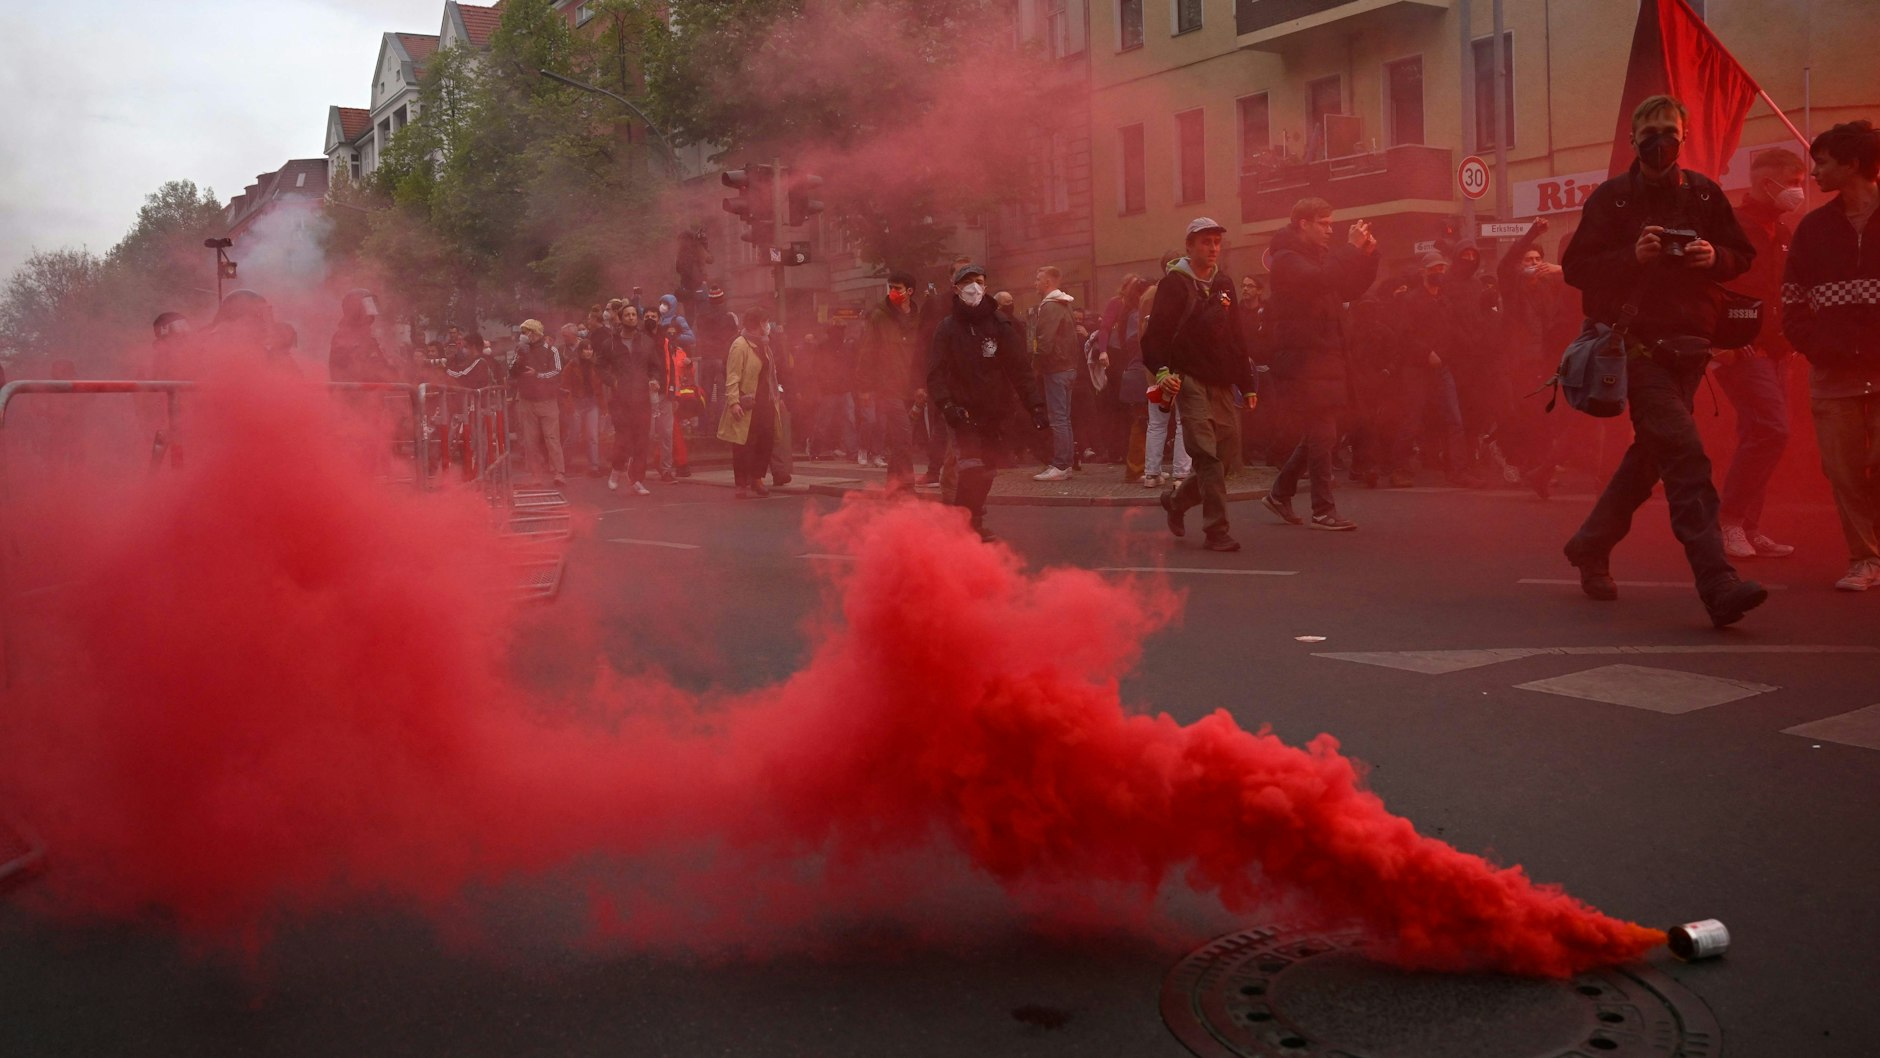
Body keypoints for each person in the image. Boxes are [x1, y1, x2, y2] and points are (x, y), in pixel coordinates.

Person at [1559, 94, 1765, 627]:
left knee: (1652, 455)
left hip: (1693, 348)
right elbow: (1576, 267)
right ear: (1632, 138)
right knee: (1685, 455)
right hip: (1637, 347)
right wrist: (1635, 256)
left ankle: (1590, 543)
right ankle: (1717, 583)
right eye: (1648, 130)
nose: (1659, 140)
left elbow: (1742, 255)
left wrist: (1712, 256)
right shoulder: (1612, 200)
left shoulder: (1704, 193)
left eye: (1668, 130)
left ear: (1684, 135)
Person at [1782, 119, 1880, 592]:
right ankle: (1864, 559)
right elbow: (1793, 297)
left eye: (1822, 161)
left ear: (1854, 164)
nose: (1814, 171)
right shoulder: (1812, 229)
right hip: (1832, 373)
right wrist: (1815, 345)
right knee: (1843, 471)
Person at [1142, 218, 1260, 551]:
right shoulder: (1174, 285)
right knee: (1207, 456)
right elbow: (1155, 337)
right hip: (1188, 378)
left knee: (1226, 458)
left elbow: (1236, 335)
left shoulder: (1224, 283)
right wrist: (1163, 372)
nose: (1212, 249)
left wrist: (1247, 383)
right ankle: (1216, 530)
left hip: (1221, 380)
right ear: (1190, 246)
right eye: (1206, 242)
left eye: (1216, 242)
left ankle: (1177, 502)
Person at [1713, 147, 1808, 560]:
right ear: (1765, 182)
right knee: (1772, 429)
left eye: (1800, 183)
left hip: (1777, 350)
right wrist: (1721, 343)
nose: (1798, 191)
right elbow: (1709, 283)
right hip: (1742, 351)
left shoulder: (1782, 231)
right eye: (1792, 183)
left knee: (1758, 435)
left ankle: (1749, 527)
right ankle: (1729, 521)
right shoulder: (1730, 225)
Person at [1262, 199, 1380, 531]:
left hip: (1326, 356)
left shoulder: (1317, 257)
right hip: (1306, 359)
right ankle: (1322, 509)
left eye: (1331, 223)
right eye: (1323, 223)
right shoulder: (1286, 259)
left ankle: (1280, 493)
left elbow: (1350, 287)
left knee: (1323, 433)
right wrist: (1350, 249)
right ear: (1303, 223)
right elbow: (1321, 281)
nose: (1330, 229)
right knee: (1324, 431)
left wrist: (1369, 256)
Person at [929, 264, 1046, 542]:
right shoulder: (946, 328)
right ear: (956, 288)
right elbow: (935, 373)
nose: (973, 287)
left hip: (995, 411)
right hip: (962, 411)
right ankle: (964, 523)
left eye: (979, 281)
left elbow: (1020, 370)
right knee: (971, 467)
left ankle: (970, 518)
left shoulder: (1000, 325)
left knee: (988, 470)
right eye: (967, 282)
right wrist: (946, 405)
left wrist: (1036, 407)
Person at [1496, 218, 1582, 497]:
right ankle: (1525, 463)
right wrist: (1531, 232)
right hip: (1520, 363)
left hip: (1546, 361)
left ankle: (1540, 468)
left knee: (1546, 416)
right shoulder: (1512, 288)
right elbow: (1506, 262)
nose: (1533, 263)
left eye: (1537, 258)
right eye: (1528, 259)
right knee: (1527, 416)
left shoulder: (1550, 288)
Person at [858, 271, 923, 491]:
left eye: (898, 288)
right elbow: (868, 351)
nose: (893, 292)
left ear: (910, 292)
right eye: (891, 287)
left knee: (899, 441)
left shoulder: (918, 316)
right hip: (888, 387)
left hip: (911, 387)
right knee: (904, 438)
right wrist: (865, 387)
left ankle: (893, 486)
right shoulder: (879, 316)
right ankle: (906, 488)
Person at [719, 308, 781, 499]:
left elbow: (771, 374)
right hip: (748, 402)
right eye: (765, 322)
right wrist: (734, 402)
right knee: (743, 444)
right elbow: (732, 376)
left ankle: (757, 478)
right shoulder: (740, 345)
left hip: (766, 401)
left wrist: (778, 395)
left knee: (765, 440)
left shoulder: (764, 345)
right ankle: (741, 483)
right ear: (756, 325)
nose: (767, 326)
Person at [1030, 266, 1079, 481]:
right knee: (1065, 419)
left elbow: (1044, 341)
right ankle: (1066, 463)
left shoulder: (1049, 307)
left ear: (1048, 283)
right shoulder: (1065, 304)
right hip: (1068, 367)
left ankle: (1060, 465)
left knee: (1058, 418)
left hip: (1056, 369)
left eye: (1038, 279)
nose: (1035, 283)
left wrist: (1036, 365)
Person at [604, 303, 657, 495]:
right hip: (620, 400)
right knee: (624, 439)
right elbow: (600, 366)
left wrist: (654, 379)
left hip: (642, 398)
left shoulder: (646, 342)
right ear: (621, 318)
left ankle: (637, 480)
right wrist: (612, 381)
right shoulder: (611, 343)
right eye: (627, 314)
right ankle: (616, 469)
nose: (632, 317)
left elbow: (655, 366)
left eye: (634, 314)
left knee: (642, 441)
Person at [510, 318, 567, 488]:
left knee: (551, 437)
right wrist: (519, 357)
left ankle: (558, 472)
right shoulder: (521, 350)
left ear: (534, 333)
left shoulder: (551, 350)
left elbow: (557, 372)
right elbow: (512, 372)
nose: (523, 336)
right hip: (527, 400)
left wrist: (538, 375)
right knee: (530, 440)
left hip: (547, 400)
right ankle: (535, 474)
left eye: (526, 332)